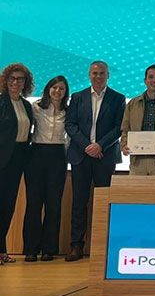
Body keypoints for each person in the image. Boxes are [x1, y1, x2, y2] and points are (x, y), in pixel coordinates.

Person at [65, 60, 126, 262]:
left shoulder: (118, 98)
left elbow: (119, 127)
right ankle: (76, 246)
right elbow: (71, 125)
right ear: (89, 75)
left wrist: (100, 145)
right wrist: (87, 146)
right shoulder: (78, 97)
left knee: (103, 202)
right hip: (81, 156)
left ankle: (103, 246)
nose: (98, 76)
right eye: (94, 73)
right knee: (79, 203)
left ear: (108, 75)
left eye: (102, 73)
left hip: (105, 156)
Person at [23, 76, 68, 262]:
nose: (57, 91)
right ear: (48, 89)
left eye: (62, 89)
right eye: (54, 87)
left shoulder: (68, 110)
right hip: (36, 155)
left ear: (66, 93)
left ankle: (49, 249)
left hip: (58, 156)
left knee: (53, 205)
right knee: (34, 204)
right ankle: (31, 249)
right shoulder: (35, 108)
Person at [0, 63, 34, 265]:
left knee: (8, 206)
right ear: (6, 80)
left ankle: (2, 251)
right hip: (2, 159)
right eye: (12, 78)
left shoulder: (26, 105)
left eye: (20, 79)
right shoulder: (1, 103)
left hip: (19, 159)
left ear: (25, 83)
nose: (15, 82)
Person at [120, 65, 155, 176]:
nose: (154, 80)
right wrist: (124, 146)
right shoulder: (132, 104)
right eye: (150, 77)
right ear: (145, 80)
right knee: (137, 193)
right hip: (137, 161)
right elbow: (125, 129)